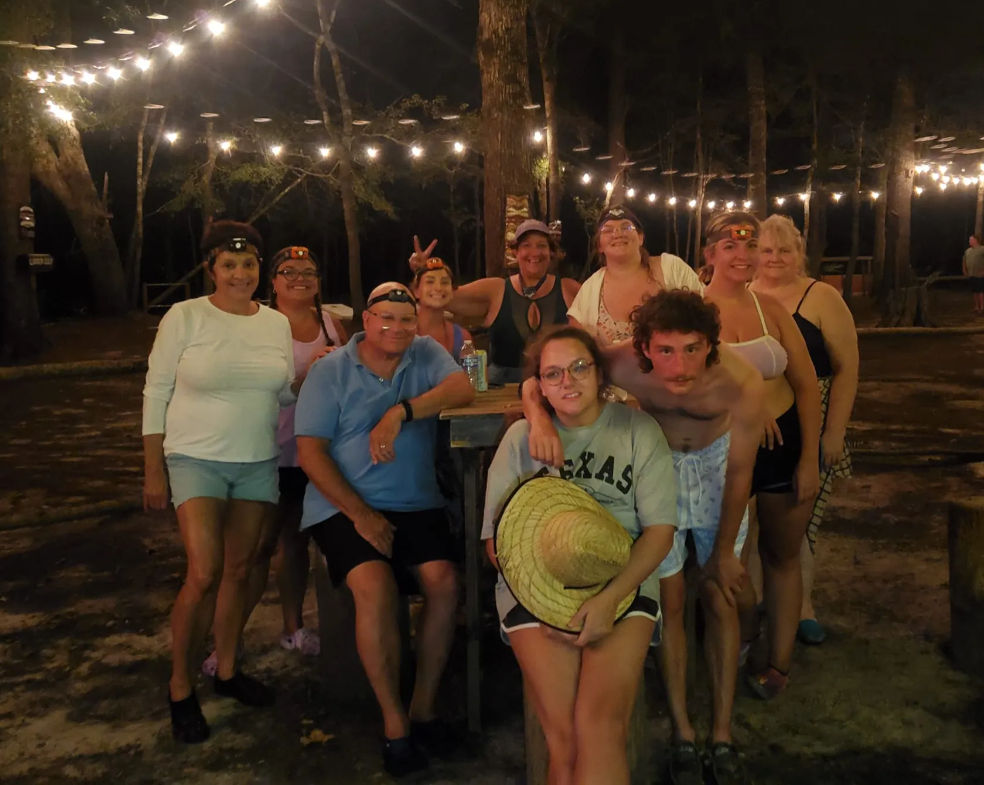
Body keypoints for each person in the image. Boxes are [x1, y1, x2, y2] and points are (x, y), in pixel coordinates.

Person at [523, 290, 764, 785]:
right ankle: (681, 729)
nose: (680, 365)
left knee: (721, 595)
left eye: (693, 349)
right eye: (667, 351)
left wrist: (722, 552)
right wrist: (535, 415)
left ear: (712, 345)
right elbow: (541, 378)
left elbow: (741, 471)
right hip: (657, 465)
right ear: (644, 349)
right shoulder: (621, 364)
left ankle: (721, 731)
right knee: (670, 599)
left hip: (718, 466)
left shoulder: (741, 381)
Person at [294, 282, 474, 777]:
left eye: (406, 319)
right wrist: (361, 514)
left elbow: (463, 386)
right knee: (374, 587)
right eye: (384, 318)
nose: (396, 328)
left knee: (445, 583)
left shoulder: (425, 352)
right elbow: (310, 453)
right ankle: (395, 725)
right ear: (366, 321)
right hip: (344, 506)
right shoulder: (330, 370)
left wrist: (401, 411)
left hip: (415, 503)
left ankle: (424, 708)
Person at [483, 325, 677, 785]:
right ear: (541, 385)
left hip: (624, 581)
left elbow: (660, 532)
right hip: (536, 588)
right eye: (553, 374)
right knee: (566, 738)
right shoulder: (519, 441)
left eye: (578, 367)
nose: (567, 381)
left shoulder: (637, 430)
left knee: (600, 728)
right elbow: (494, 546)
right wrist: (555, 603)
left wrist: (608, 600)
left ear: (599, 372)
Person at [143, 221, 295, 743]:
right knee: (204, 572)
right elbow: (155, 390)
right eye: (228, 264)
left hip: (256, 459)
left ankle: (227, 670)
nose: (239, 273)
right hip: (194, 458)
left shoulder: (274, 324)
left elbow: (283, 392)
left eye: (249, 264)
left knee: (240, 568)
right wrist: (152, 469)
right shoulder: (185, 317)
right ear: (211, 268)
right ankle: (180, 685)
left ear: (260, 270)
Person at [700, 211, 821, 699]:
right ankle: (743, 630)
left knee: (783, 555)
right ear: (709, 255)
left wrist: (810, 457)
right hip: (724, 450)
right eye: (730, 246)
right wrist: (743, 408)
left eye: (749, 247)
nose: (742, 255)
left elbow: (808, 385)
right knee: (729, 560)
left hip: (785, 446)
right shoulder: (693, 310)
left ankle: (780, 662)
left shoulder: (771, 308)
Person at [230, 246, 347, 665]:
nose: (301, 277)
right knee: (256, 548)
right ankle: (228, 641)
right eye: (289, 271)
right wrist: (306, 373)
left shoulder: (330, 324)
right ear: (273, 281)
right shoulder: (256, 325)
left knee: (296, 545)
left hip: (315, 454)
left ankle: (292, 628)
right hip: (267, 452)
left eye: (309, 271)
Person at [751, 216, 858, 644]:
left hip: (812, 418)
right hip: (756, 421)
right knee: (757, 519)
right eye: (767, 250)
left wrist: (832, 434)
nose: (775, 259)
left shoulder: (821, 297)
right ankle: (764, 602)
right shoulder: (746, 296)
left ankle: (803, 607)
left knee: (802, 517)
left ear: (800, 254)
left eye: (785, 251)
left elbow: (847, 368)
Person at [410, 219, 581, 384]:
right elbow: (442, 295)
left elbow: (602, 308)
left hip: (557, 386)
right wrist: (424, 270)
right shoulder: (495, 290)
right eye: (526, 245)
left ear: (551, 252)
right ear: (515, 252)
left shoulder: (569, 289)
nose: (534, 252)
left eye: (541, 245)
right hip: (500, 389)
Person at [567, 205, 703, 345]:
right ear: (599, 246)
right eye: (607, 230)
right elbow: (575, 342)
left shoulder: (671, 268)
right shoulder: (591, 287)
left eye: (626, 227)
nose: (618, 233)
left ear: (640, 238)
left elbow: (705, 317)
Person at [411, 256, 471, 361]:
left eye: (444, 282)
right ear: (416, 291)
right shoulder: (403, 332)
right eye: (430, 282)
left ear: (452, 291)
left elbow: (471, 376)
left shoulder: (463, 337)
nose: (438, 288)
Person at [962, 234, 984, 314]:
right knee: (974, 291)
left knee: (981, 291)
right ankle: (976, 307)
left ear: (976, 240)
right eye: (969, 240)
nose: (969, 241)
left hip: (980, 274)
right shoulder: (968, 251)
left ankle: (982, 307)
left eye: (971, 239)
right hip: (971, 274)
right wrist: (964, 270)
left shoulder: (982, 249)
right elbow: (964, 261)